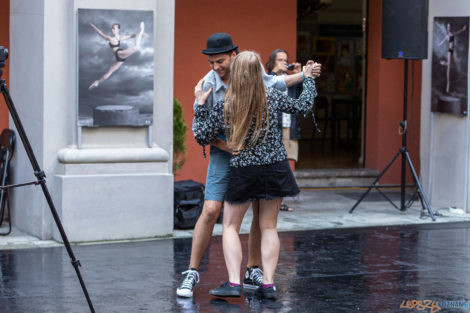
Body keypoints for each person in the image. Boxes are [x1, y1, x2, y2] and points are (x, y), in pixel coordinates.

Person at [176, 33, 317, 298]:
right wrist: (308, 80)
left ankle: (242, 276)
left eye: (220, 61)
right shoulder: (218, 85)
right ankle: (256, 280)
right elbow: (301, 105)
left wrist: (306, 74)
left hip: (247, 161)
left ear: (234, 58)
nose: (216, 67)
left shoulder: (240, 91)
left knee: (240, 220)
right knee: (228, 215)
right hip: (250, 160)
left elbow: (201, 132)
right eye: (211, 63)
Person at [266, 49, 302, 212]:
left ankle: (278, 199)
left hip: (290, 126)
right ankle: (274, 199)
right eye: (280, 59)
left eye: (285, 60)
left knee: (286, 161)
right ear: (272, 62)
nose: (283, 62)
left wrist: (300, 76)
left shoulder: (291, 80)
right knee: (274, 163)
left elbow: (301, 100)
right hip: (274, 128)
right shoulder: (268, 79)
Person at [88, 21, 146, 90]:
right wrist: (94, 27)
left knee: (136, 47)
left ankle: (97, 82)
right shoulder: (110, 38)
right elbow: (100, 33)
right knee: (136, 47)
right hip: (119, 55)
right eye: (112, 28)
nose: (112, 30)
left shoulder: (121, 38)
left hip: (119, 56)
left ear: (118, 30)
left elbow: (131, 36)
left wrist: (140, 34)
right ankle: (97, 82)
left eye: (114, 28)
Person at [438, 22, 467, 93]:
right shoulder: (447, 36)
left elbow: (458, 32)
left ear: (451, 27)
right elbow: (443, 40)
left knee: (452, 65)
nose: (449, 28)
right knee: (448, 69)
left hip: (451, 51)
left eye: (450, 27)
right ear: (447, 28)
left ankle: (444, 63)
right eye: (448, 27)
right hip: (449, 51)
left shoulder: (452, 33)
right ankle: (448, 85)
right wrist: (439, 44)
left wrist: (463, 29)